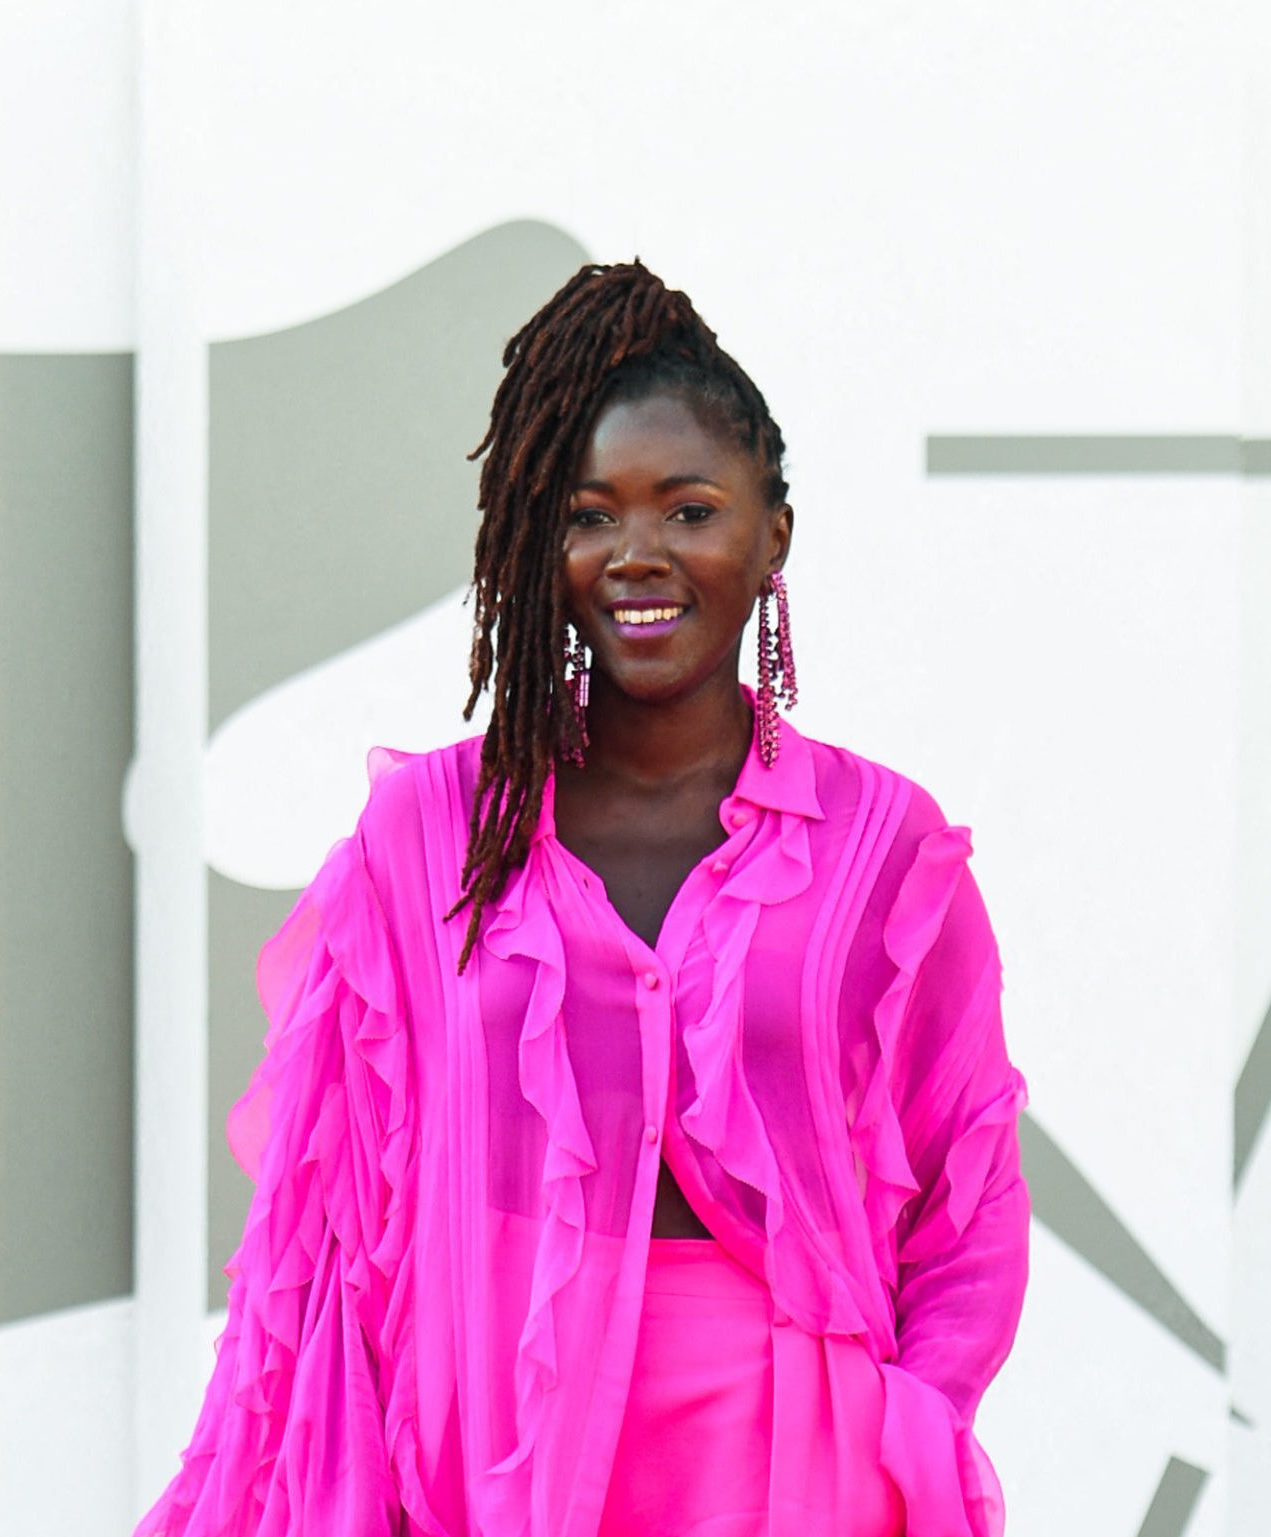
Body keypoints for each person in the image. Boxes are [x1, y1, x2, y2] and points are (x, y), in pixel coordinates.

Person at [136, 261, 1030, 1537]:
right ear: (538, 544)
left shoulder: (882, 845)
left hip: (793, 1463)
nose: (637, 555)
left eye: (689, 508)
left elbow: (969, 1179)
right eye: (589, 514)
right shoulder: (430, 834)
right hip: (495, 1454)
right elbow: (332, 1215)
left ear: (772, 532)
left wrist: (907, 1430)